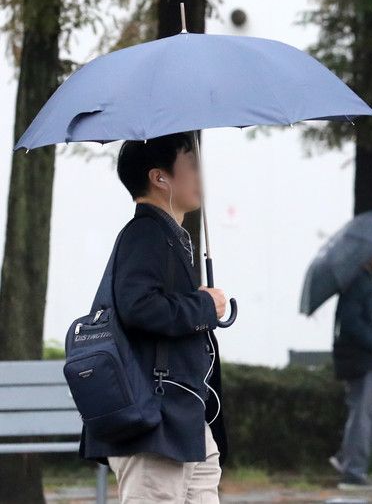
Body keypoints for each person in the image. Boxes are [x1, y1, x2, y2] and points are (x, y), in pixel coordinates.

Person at [81, 132, 228, 503]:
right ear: (159, 178)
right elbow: (139, 307)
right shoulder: (145, 233)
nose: (201, 176)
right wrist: (204, 307)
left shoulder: (168, 236)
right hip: (153, 420)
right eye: (191, 165)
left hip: (181, 417)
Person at [330, 249, 372, 492]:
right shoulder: (356, 282)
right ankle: (353, 471)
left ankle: (347, 457)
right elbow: (350, 321)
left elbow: (368, 316)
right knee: (362, 415)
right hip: (362, 361)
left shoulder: (368, 280)